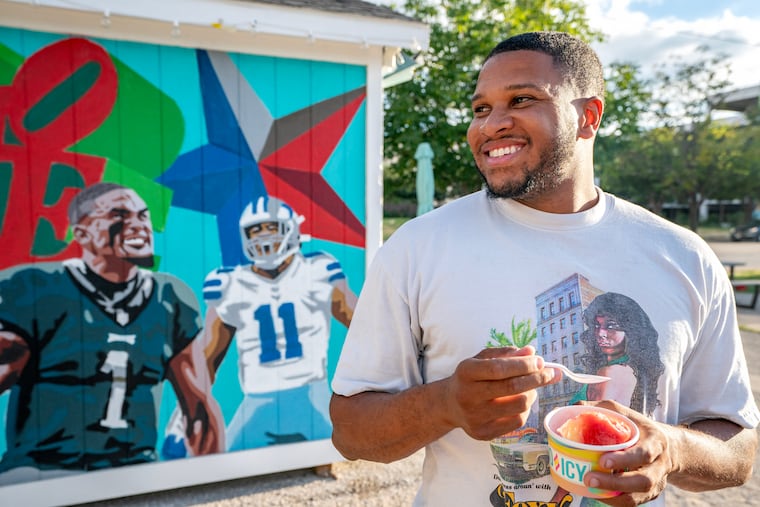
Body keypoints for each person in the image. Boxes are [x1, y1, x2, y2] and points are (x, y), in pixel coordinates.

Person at [329, 31, 759, 507]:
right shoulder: (417, 248)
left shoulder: (685, 257)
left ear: (588, 117)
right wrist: (446, 403)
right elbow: (351, 432)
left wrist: (672, 450)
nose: (490, 125)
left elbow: (739, 452)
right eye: (480, 109)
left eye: (522, 99)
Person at [0, 182, 224, 485]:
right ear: (82, 234)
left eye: (143, 217)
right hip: (44, 470)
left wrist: (212, 484)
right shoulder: (39, 291)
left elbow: (199, 411)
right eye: (120, 215)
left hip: (135, 468)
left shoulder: (169, 298)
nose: (138, 226)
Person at [162, 195, 356, 458]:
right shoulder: (231, 284)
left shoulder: (318, 270)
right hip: (257, 400)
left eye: (271, 229)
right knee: (226, 463)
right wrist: (179, 423)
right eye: (256, 231)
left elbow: (361, 325)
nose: (264, 238)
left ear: (290, 230)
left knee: (347, 450)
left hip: (311, 394)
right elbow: (206, 359)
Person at [576, 292, 665, 416]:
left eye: (610, 326)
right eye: (597, 325)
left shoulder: (611, 372)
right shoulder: (632, 369)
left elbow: (595, 425)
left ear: (631, 331)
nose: (600, 333)